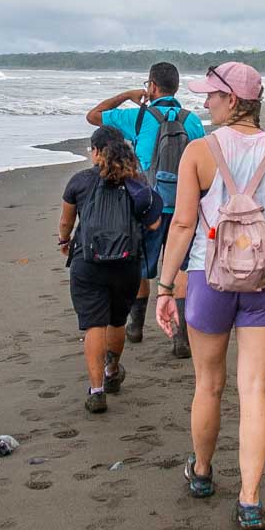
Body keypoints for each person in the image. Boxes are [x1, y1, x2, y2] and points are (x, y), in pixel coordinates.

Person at [155, 62, 265, 530]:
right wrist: (264, 223)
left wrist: (166, 287)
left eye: (212, 96)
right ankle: (249, 500)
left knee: (208, 385)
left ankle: (203, 474)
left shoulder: (199, 152)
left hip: (209, 279)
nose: (205, 103)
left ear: (233, 100)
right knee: (253, 391)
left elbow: (183, 223)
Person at [87, 62, 205, 356]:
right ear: (176, 87)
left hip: (145, 204)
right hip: (183, 206)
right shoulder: (192, 121)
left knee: (141, 265)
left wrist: (128, 95)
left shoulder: (138, 117)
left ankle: (136, 326)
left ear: (152, 86)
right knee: (180, 266)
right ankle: (180, 338)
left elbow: (93, 116)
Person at [58, 126, 163, 414]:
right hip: (127, 265)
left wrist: (64, 241)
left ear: (95, 151)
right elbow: (154, 223)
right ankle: (112, 371)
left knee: (94, 325)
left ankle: (96, 390)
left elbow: (66, 223)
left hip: (88, 263)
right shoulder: (137, 183)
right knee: (117, 322)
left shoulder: (79, 182)